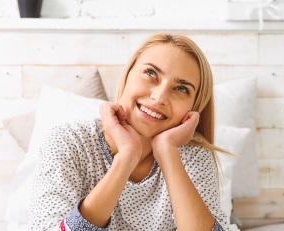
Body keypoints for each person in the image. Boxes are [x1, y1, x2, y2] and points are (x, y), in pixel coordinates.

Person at [29, 33, 230, 231]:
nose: (159, 97)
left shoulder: (192, 156)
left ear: (192, 109)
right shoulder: (68, 142)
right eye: (151, 73)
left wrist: (167, 151)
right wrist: (127, 156)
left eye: (182, 89)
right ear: (127, 76)